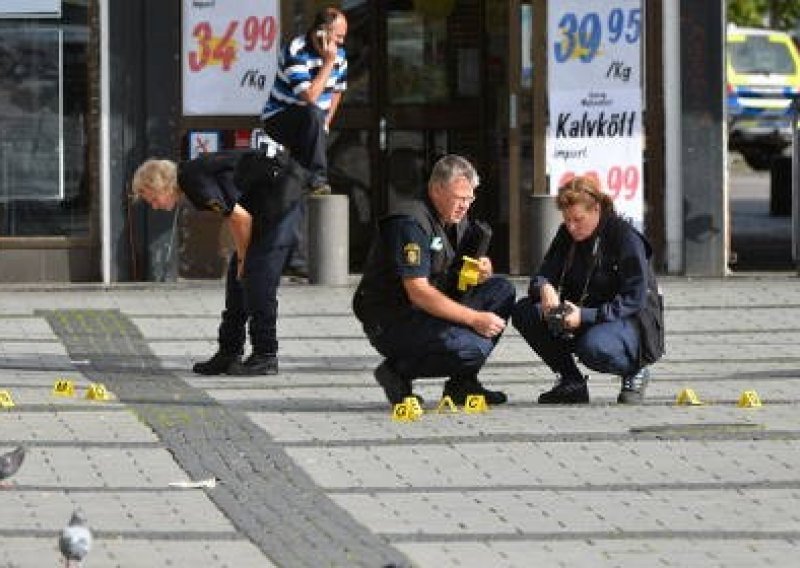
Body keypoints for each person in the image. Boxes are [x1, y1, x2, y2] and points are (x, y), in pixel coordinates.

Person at [352, 154, 515, 406]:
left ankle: (462, 384)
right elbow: (418, 291)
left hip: (429, 309)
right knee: (471, 349)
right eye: (460, 198)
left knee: (502, 290)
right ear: (437, 189)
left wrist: (482, 268)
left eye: (470, 199)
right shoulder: (410, 222)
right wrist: (474, 319)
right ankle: (397, 371)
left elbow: (456, 267)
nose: (465, 206)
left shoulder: (455, 218)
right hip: (395, 318)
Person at [131, 146, 304, 376]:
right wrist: (241, 259)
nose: (154, 205)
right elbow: (237, 214)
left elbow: (240, 219)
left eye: (150, 198)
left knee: (256, 277)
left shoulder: (192, 181)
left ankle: (265, 355)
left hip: (281, 193)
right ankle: (229, 352)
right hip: (264, 196)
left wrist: (243, 258)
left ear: (160, 184)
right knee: (237, 280)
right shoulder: (190, 176)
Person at [511, 175, 660, 405]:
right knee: (524, 311)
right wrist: (545, 286)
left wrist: (584, 316)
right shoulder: (567, 234)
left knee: (592, 347)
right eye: (567, 220)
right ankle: (571, 381)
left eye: (578, 220)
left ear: (597, 209)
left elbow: (635, 298)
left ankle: (635, 369)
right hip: (580, 315)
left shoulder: (625, 237)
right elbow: (542, 274)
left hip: (626, 322)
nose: (571, 227)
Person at [261, 5, 348, 277]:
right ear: (320, 34)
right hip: (281, 119)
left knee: (294, 184)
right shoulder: (295, 51)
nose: (341, 43)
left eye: (344, 37)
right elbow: (309, 96)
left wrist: (326, 124)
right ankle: (319, 177)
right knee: (311, 112)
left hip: (311, 126)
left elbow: (335, 93)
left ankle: (297, 258)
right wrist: (328, 62)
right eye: (337, 37)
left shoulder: (340, 55)